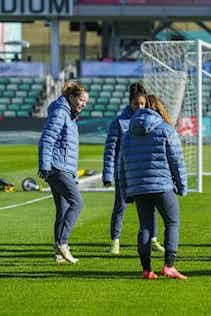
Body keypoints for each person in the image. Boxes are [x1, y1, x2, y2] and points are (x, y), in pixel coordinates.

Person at [120, 95, 188, 279]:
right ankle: (169, 266)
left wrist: (125, 191)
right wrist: (182, 186)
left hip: (138, 187)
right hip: (162, 185)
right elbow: (176, 160)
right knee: (172, 222)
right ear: (159, 109)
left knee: (145, 227)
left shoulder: (128, 133)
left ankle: (146, 269)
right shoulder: (166, 130)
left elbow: (122, 165)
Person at [102, 82, 164, 255]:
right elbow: (110, 149)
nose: (140, 107)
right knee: (120, 207)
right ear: (130, 103)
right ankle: (115, 241)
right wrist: (108, 174)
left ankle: (153, 239)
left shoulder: (151, 120)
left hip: (144, 172)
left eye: (142, 104)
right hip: (124, 173)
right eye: (136, 103)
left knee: (150, 207)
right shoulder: (120, 122)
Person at [38, 81, 88, 264]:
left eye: (86, 102)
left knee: (63, 209)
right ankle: (62, 243)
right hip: (57, 168)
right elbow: (47, 138)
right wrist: (45, 165)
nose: (83, 104)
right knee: (77, 203)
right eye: (81, 100)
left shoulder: (69, 114)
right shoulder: (61, 112)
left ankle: (59, 254)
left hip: (62, 167)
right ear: (72, 97)